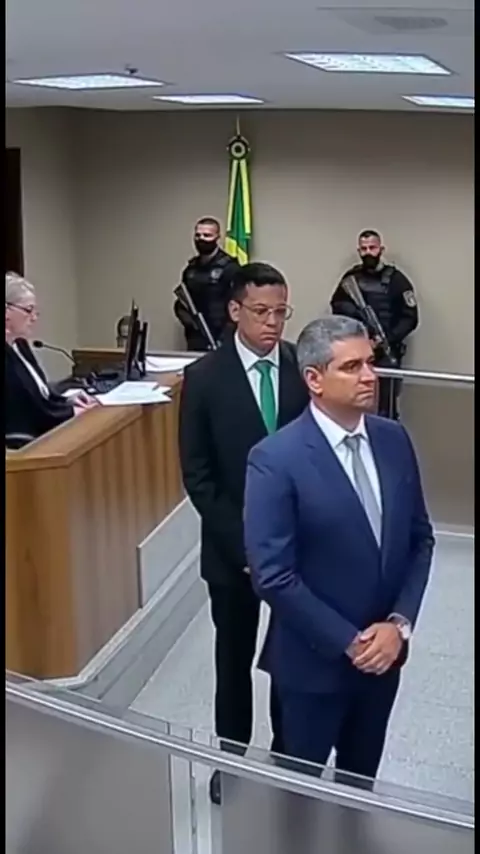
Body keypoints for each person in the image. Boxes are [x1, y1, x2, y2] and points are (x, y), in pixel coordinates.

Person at [244, 315, 434, 784]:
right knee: (298, 793)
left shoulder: (393, 440)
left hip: (384, 661)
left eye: (370, 362)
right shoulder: (275, 459)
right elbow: (273, 575)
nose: (370, 376)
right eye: (351, 367)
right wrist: (351, 642)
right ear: (314, 379)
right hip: (313, 666)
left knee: (358, 786)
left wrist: (398, 625)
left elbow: (420, 539)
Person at [179, 262, 309, 803]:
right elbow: (199, 475)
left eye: (281, 312)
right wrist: (247, 546)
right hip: (232, 553)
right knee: (233, 660)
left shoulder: (302, 367)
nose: (273, 322)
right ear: (235, 311)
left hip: (297, 550)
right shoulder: (205, 378)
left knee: (289, 658)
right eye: (261, 312)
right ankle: (229, 758)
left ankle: (288, 756)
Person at [330, 229, 418, 419]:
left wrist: (384, 339)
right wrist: (360, 334)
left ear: (381, 249)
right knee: (355, 402)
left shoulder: (396, 280)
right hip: (356, 353)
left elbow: (410, 318)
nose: (368, 252)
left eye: (372, 248)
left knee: (387, 408)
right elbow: (337, 306)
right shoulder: (351, 279)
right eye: (364, 249)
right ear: (359, 251)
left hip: (387, 354)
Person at [5, 272, 95, 444]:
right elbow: (25, 412)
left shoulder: (20, 345)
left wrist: (66, 400)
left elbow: (40, 395)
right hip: (27, 443)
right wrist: (70, 413)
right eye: (28, 310)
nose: (34, 318)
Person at [174, 217, 241, 351]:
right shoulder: (190, 270)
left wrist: (225, 337)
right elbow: (181, 304)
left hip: (223, 337)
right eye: (198, 235)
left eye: (207, 235)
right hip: (196, 338)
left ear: (217, 237)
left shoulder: (230, 268)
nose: (201, 239)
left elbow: (238, 306)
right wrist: (191, 323)